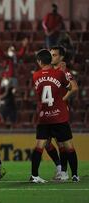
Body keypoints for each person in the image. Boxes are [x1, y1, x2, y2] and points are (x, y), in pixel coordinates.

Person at [30, 49, 79, 183]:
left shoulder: (35, 76)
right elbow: (71, 87)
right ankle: (74, 175)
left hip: (44, 116)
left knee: (40, 145)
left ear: (40, 62)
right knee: (67, 145)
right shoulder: (60, 74)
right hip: (59, 115)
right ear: (50, 60)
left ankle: (35, 175)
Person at [46, 46, 79, 181]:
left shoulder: (64, 72)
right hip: (48, 112)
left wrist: (61, 100)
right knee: (46, 143)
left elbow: (75, 87)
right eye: (50, 54)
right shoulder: (48, 71)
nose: (51, 57)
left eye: (54, 55)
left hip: (59, 112)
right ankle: (60, 168)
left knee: (61, 144)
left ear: (61, 58)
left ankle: (65, 172)